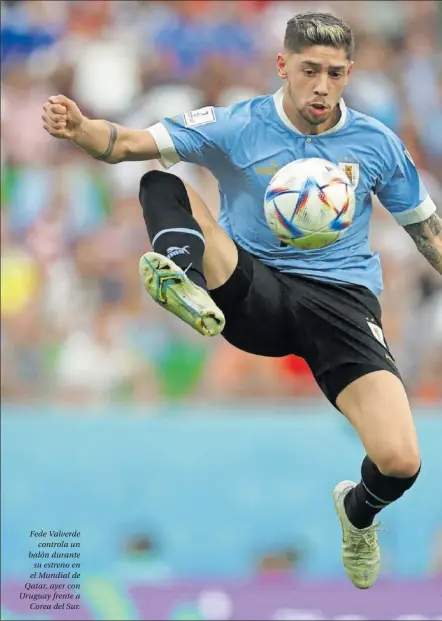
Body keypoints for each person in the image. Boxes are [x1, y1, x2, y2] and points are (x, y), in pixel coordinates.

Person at [42, 12, 442, 589]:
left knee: (402, 461)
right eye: (309, 71)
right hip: (255, 286)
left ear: (349, 73)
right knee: (164, 179)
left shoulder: (377, 144)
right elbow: (130, 143)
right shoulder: (235, 125)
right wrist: (82, 130)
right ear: (283, 65)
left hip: (344, 305)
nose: (321, 86)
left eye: (334, 73)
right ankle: (179, 276)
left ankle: (357, 516)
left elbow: (427, 231)